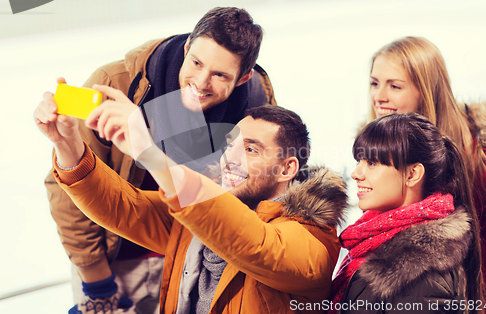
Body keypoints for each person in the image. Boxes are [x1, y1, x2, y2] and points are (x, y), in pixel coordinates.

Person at [35, 81, 350, 313]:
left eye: (251, 149)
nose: (232, 158)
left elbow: (252, 241)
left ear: (287, 168)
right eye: (231, 144)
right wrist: (68, 145)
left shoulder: (313, 242)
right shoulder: (197, 216)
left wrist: (151, 155)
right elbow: (124, 208)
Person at [44, 7, 277, 314]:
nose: (201, 82)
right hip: (116, 263)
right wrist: (95, 278)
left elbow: (266, 185)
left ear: (243, 77)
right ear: (186, 48)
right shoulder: (116, 83)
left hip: (194, 263)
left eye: (220, 75)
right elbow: (66, 184)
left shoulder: (256, 101)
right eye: (195, 62)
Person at [367, 36, 486, 312]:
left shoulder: (483, 157)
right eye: (374, 83)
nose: (379, 96)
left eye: (394, 86)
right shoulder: (378, 152)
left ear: (425, 90)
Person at [329, 113, 484, 313]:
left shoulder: (422, 274)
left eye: (372, 163)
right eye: (359, 161)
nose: (356, 174)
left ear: (413, 174)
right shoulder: (375, 240)